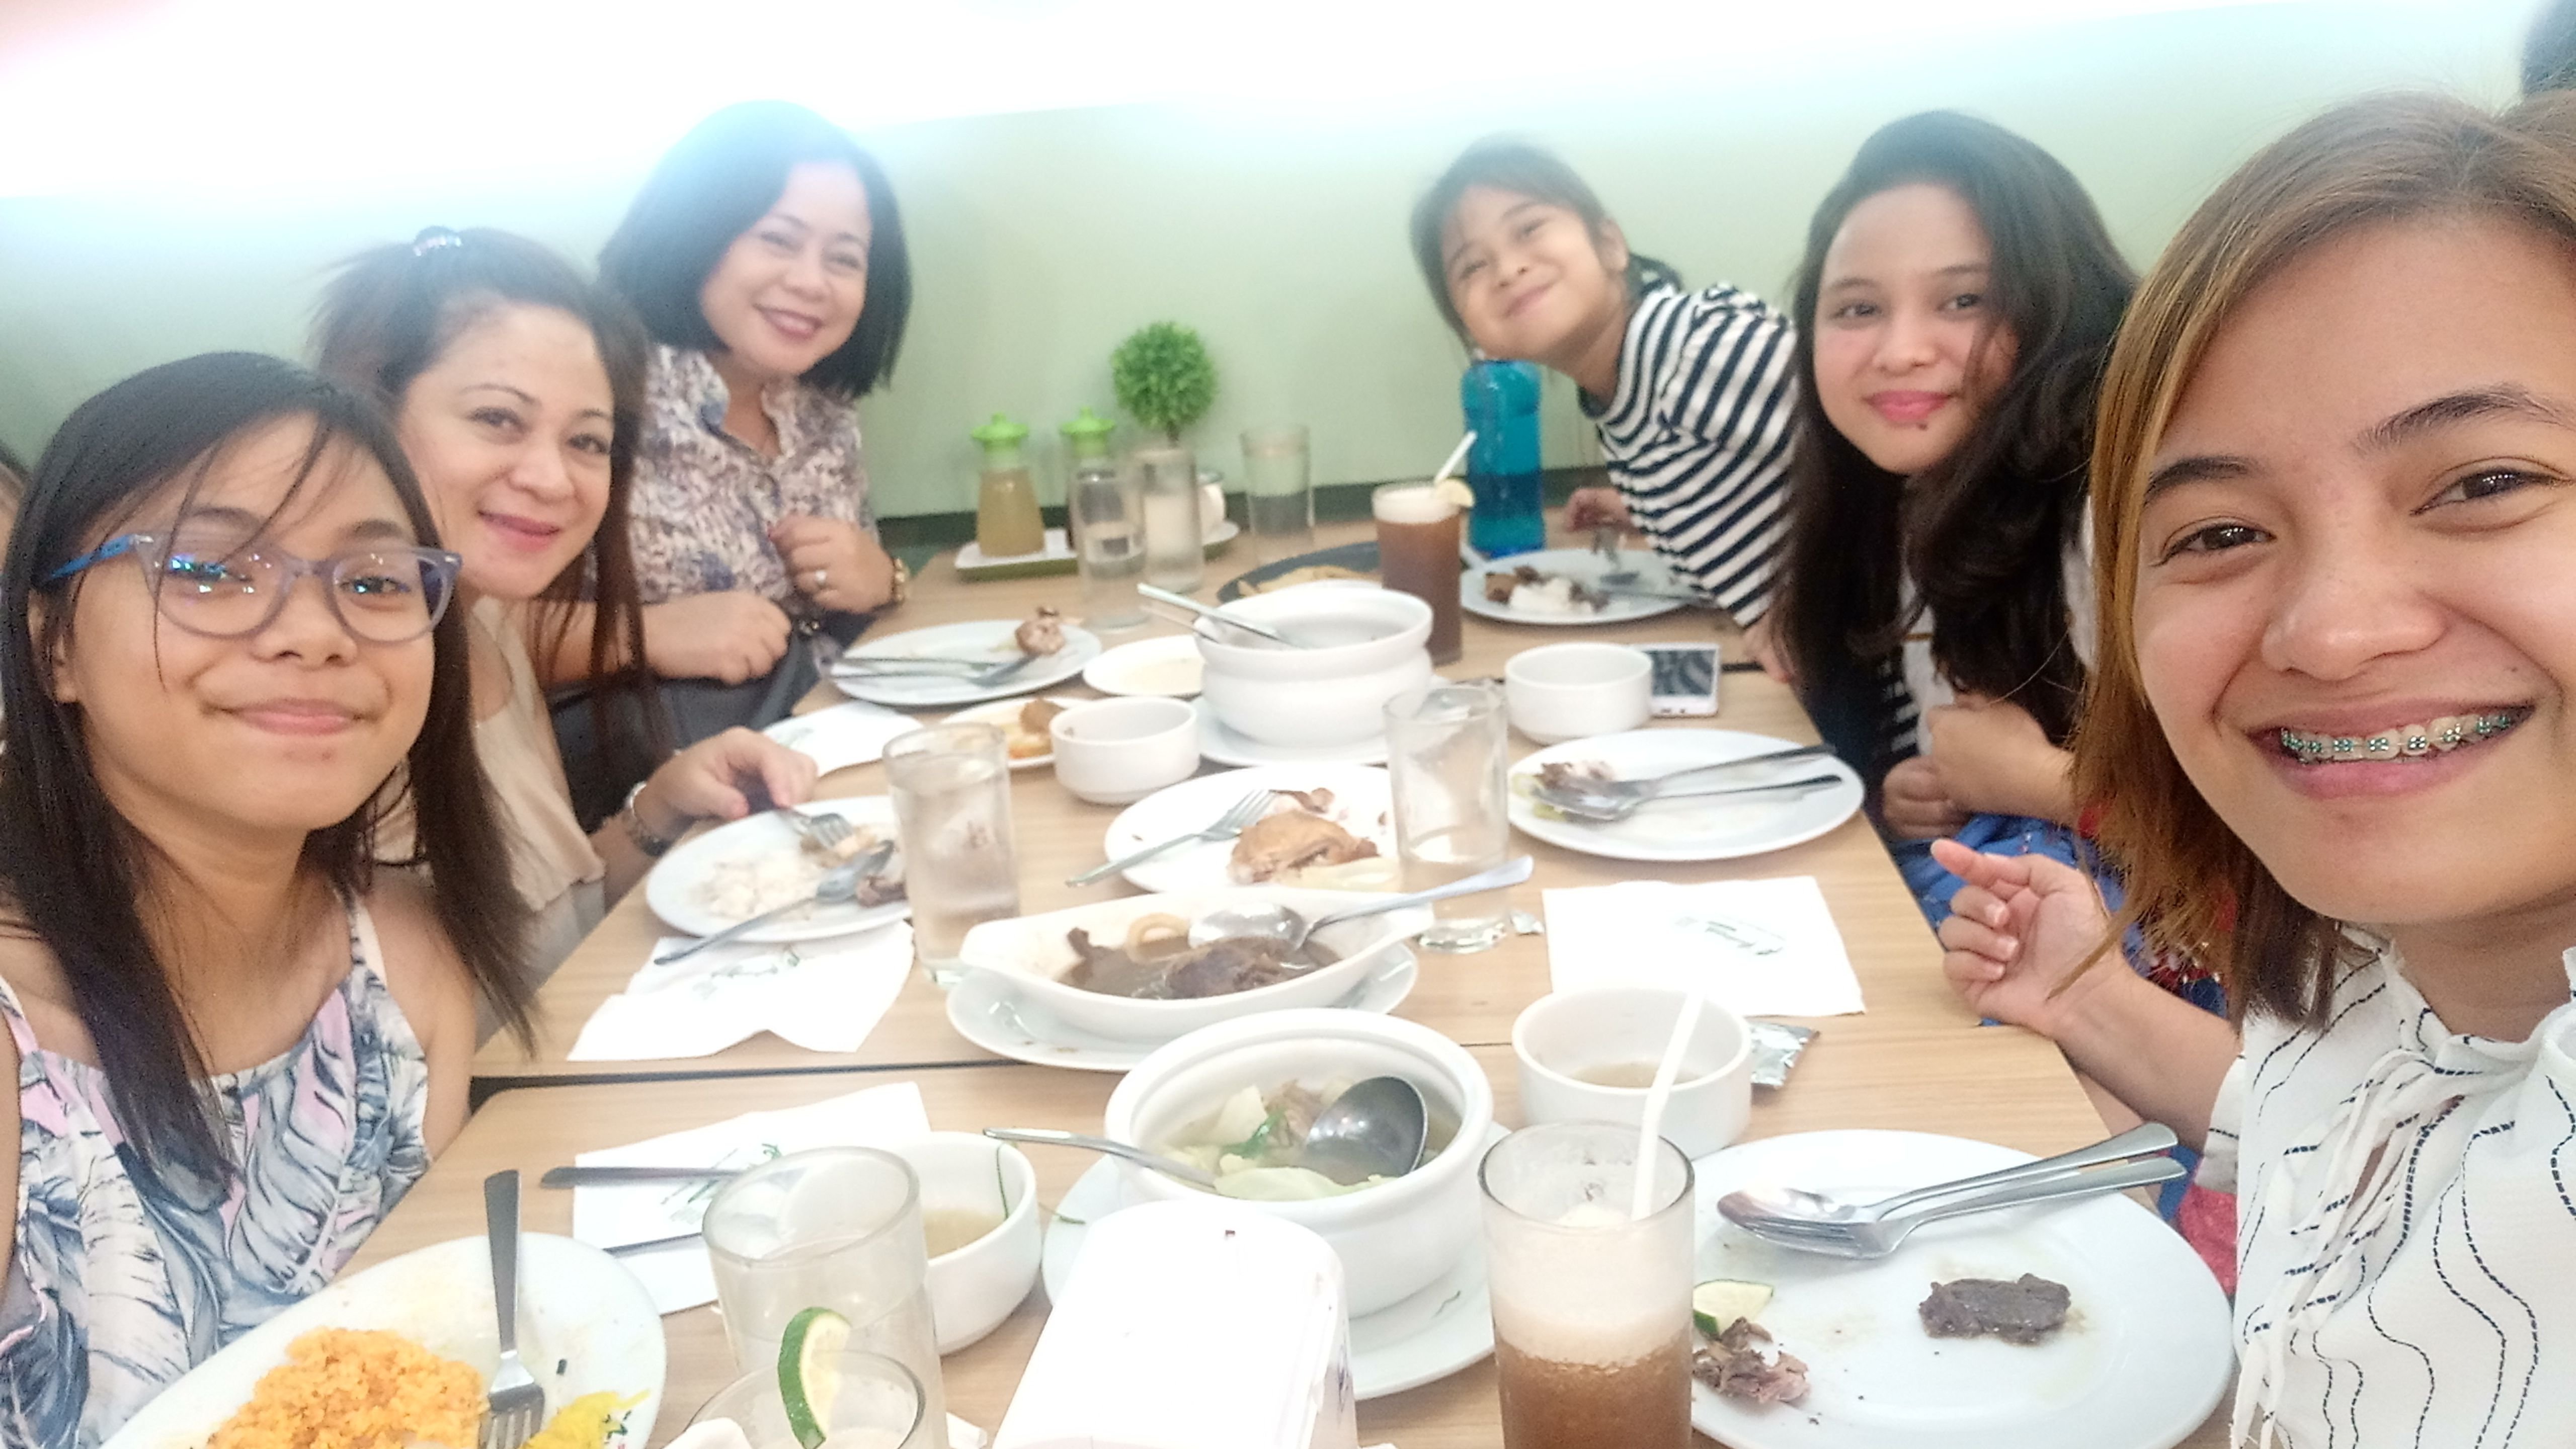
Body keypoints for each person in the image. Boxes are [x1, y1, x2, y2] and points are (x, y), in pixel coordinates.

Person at [1937, 93, 2576, 1444]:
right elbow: (2331, 1127)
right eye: (2220, 532)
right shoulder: (2384, 975)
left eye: (2485, 483)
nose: (2329, 632)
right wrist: (2089, 1000)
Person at [0, 352, 529, 1445]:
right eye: (209, 569)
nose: (317, 630)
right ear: (53, 647)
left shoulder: (403, 958)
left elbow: (436, 1353)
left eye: (374, 582)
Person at [315, 227, 819, 982]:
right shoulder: (324, 682)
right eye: (497, 419)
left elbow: (559, 935)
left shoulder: (489, 626)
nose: (552, 479)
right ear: (370, 413)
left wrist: (663, 806)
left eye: (587, 442)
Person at [1759, 113, 2176, 948]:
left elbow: (2278, 838)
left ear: (2059, 305)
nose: (1901, 350)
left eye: (1963, 300)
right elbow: (1967, 746)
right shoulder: (1920, 499)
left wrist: (2041, 784)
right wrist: (1933, 788)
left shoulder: (2118, 509)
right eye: (1858, 308)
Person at [565, 101, 912, 818]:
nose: (812, 282)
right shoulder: (592, 393)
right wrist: (650, 636)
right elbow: (464, 635)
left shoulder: (822, 407)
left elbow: (854, 592)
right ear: (696, 235)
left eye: (844, 258)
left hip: (834, 763)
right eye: (778, 240)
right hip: (667, 812)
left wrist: (884, 576)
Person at [1410, 139, 1795, 620]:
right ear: (1474, 335)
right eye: (1472, 266)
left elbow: (1872, 464)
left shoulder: (1698, 351)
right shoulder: (1624, 398)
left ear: (1610, 245)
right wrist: (1649, 512)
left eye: (1529, 229)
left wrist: (1804, 614)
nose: (1508, 269)